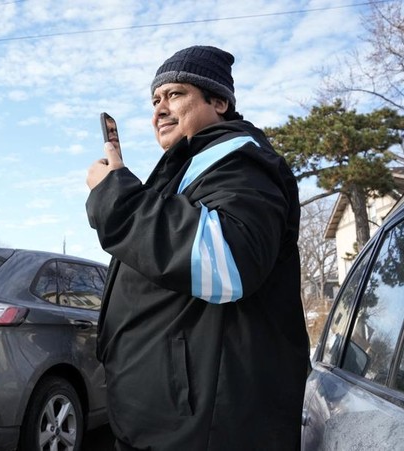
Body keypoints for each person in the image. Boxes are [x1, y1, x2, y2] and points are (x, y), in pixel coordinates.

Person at [85, 45, 309, 450]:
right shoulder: (188, 168)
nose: (160, 110)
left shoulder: (240, 161)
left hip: (204, 431)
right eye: (155, 100)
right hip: (165, 424)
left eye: (175, 95)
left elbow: (227, 262)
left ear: (219, 101)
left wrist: (115, 199)